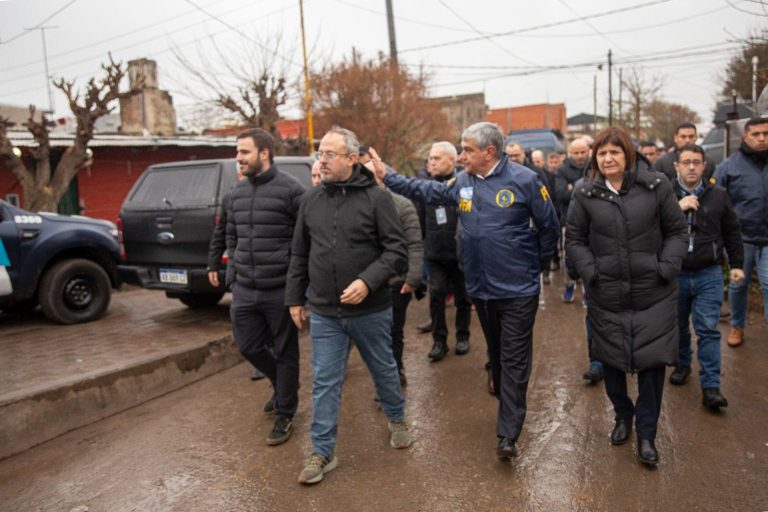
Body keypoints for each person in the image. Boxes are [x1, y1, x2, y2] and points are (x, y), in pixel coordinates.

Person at [375, 122, 559, 461]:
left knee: (515, 358)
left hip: (518, 290)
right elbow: (427, 192)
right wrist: (388, 175)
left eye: (467, 150)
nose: (461, 157)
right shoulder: (462, 182)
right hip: (481, 289)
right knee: (499, 355)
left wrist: (533, 266)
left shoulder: (525, 180)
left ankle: (507, 433)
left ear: (489, 152)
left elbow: (549, 228)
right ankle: (502, 388)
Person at [285, 126, 410, 485]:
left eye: (328, 154)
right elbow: (299, 253)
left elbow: (396, 251)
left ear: (352, 159)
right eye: (319, 154)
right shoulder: (311, 200)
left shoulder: (377, 198)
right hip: (324, 311)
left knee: (384, 368)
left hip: (370, 310)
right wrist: (295, 296)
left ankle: (397, 416)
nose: (320, 161)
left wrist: (367, 281)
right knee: (324, 381)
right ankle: (323, 452)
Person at [566, 126, 687, 467]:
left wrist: (666, 267)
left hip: (654, 293)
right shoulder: (585, 194)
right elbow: (574, 238)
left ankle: (647, 434)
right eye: (601, 153)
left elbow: (678, 230)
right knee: (612, 360)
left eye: (614, 152)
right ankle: (623, 415)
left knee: (651, 365)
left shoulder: (655, 186)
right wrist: (592, 272)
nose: (607, 159)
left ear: (628, 155)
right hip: (607, 293)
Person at [226, 128, 304, 447]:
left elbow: (303, 242)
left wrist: (298, 289)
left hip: (280, 288)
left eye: (244, 152)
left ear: (264, 154)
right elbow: (232, 236)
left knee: (286, 351)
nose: (238, 158)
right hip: (245, 287)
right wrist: (233, 272)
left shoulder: (292, 190)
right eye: (238, 152)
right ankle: (281, 384)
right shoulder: (236, 194)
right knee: (248, 346)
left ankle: (285, 412)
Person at [670, 144, 744, 409]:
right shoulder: (664, 195)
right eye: (686, 162)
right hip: (675, 273)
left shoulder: (718, 195)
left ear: (704, 166)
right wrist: (677, 208)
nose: (691, 167)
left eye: (696, 162)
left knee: (708, 329)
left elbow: (733, 231)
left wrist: (736, 264)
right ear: (676, 166)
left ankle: (711, 386)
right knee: (677, 327)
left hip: (708, 273)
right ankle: (682, 364)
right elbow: (652, 229)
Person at [207, 168, 270, 383]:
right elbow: (221, 232)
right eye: (240, 174)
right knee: (246, 324)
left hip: (266, 272)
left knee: (267, 319)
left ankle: (272, 365)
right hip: (240, 270)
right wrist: (213, 263)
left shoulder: (271, 194)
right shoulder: (231, 198)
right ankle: (262, 361)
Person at [715, 117, 768, 347]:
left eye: (766, 134)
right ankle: (737, 326)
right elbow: (716, 203)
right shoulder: (728, 166)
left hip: (767, 241)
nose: (762, 138)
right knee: (738, 285)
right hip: (741, 240)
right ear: (745, 136)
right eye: (755, 134)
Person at [371, 162, 423, 385]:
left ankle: (394, 371)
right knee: (375, 332)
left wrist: (412, 278)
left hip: (396, 280)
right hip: (369, 281)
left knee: (393, 330)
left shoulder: (402, 205)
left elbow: (414, 244)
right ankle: (384, 374)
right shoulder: (359, 204)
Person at [419, 141, 472, 361]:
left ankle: (463, 336)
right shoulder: (426, 188)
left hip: (460, 254)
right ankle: (439, 341)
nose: (432, 162)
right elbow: (420, 220)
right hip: (435, 254)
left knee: (463, 297)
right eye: (430, 158)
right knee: (437, 295)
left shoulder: (464, 185)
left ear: (452, 160)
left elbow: (470, 217)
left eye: (437, 158)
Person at [507, 141, 556, 285]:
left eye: (516, 155)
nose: (514, 159)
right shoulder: (503, 174)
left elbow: (546, 194)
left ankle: (544, 271)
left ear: (523, 153)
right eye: (510, 156)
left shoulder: (535, 171)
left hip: (534, 215)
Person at [556, 139, 590, 303]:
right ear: (570, 153)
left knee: (590, 254)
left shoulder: (594, 167)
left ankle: (587, 289)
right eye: (576, 152)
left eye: (583, 152)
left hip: (592, 220)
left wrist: (574, 187)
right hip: (568, 220)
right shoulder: (562, 169)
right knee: (568, 255)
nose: (580, 156)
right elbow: (561, 194)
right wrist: (582, 188)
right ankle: (569, 285)